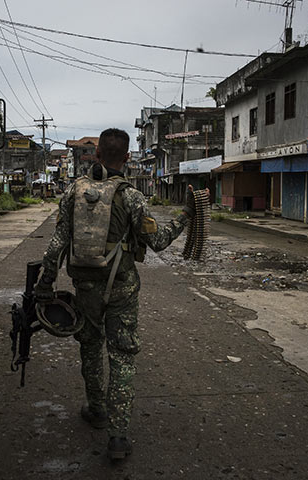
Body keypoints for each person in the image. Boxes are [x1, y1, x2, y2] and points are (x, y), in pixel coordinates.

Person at [34, 128, 198, 460]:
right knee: (122, 358)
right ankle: (118, 437)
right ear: (126, 158)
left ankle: (96, 410)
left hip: (85, 290)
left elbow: (56, 247)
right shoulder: (133, 196)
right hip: (121, 289)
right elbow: (159, 241)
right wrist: (186, 216)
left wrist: (44, 285)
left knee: (91, 349)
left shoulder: (73, 192)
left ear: (95, 156)